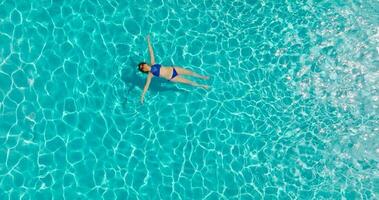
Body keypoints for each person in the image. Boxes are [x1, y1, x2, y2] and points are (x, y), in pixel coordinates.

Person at [138, 35, 209, 104]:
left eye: (143, 65)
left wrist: (148, 41)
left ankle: (202, 77)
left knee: (190, 73)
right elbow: (146, 86)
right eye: (143, 68)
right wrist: (142, 97)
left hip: (174, 69)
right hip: (172, 77)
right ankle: (202, 85)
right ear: (144, 70)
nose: (144, 66)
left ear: (145, 64)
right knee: (188, 82)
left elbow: (151, 52)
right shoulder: (150, 75)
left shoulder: (153, 63)